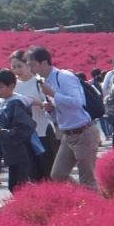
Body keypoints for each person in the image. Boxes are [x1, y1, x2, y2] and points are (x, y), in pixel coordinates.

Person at [27, 46, 99, 189]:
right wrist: (51, 109)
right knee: (58, 175)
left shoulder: (64, 77)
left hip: (83, 132)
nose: (30, 69)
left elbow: (77, 102)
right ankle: (83, 195)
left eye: (32, 65)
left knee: (87, 180)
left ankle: (91, 200)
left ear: (44, 63)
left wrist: (53, 94)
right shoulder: (45, 81)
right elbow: (61, 109)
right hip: (68, 134)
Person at [0, 69, 38, 192]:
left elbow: (25, 128)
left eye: (0, 87)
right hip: (11, 151)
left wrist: (0, 132)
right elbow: (2, 121)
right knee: (17, 186)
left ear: (12, 86)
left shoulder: (15, 103)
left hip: (21, 151)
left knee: (17, 186)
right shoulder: (3, 102)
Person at [10, 50, 56, 179]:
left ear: (28, 65)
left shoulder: (38, 82)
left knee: (48, 171)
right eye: (14, 67)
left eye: (20, 66)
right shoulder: (13, 85)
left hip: (42, 131)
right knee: (32, 174)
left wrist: (38, 103)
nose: (17, 70)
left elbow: (49, 103)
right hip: (24, 136)